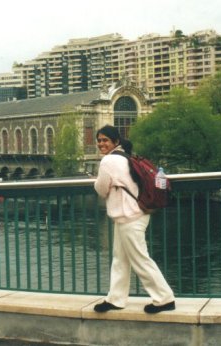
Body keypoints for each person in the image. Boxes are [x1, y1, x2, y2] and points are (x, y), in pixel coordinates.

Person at [93, 124, 175, 314]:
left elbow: (101, 188)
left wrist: (98, 183)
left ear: (115, 141)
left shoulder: (108, 161)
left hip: (129, 217)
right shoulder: (125, 157)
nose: (101, 143)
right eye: (99, 140)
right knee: (120, 259)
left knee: (140, 259)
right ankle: (116, 299)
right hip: (130, 215)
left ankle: (164, 298)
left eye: (105, 140)